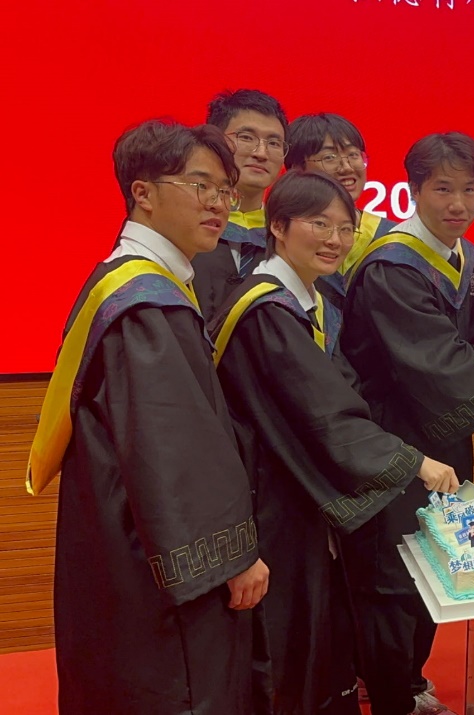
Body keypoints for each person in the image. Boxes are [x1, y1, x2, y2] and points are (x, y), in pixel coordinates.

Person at [28, 119, 268, 714]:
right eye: (201, 185)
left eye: (225, 190)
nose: (219, 203)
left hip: (133, 536)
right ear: (143, 193)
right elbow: (172, 448)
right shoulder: (144, 304)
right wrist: (230, 558)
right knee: (177, 685)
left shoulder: (142, 283)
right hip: (157, 557)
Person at [208, 171, 462, 715]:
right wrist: (411, 461)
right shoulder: (265, 309)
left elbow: (343, 392)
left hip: (303, 492)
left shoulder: (313, 301)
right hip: (269, 497)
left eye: (345, 228)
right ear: (278, 227)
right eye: (318, 224)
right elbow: (325, 412)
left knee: (324, 633)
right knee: (289, 640)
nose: (335, 240)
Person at [340, 132, 474, 715]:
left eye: (469, 189)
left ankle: (410, 684)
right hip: (392, 441)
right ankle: (389, 694)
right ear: (413, 190)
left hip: (445, 437)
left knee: (432, 564)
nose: (459, 203)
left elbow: (467, 344)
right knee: (392, 576)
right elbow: (435, 359)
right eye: (443, 189)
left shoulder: (464, 255)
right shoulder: (391, 265)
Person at [283, 112, 397, 310]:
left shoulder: (392, 238)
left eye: (353, 155)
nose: (346, 167)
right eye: (330, 157)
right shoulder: (280, 238)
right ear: (296, 168)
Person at [192, 89, 289, 316]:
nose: (261, 153)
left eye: (274, 143)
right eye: (246, 137)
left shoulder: (289, 238)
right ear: (214, 140)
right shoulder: (176, 223)